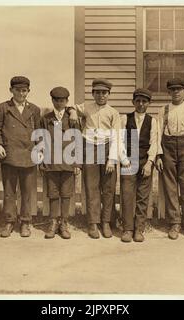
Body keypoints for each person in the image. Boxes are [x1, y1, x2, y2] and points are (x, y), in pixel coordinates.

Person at [67, 78, 126, 239]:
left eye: (104, 93)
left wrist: (112, 160)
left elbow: (117, 137)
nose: (101, 96)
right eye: (98, 92)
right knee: (91, 187)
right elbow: (71, 107)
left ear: (108, 94)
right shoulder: (86, 107)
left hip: (107, 149)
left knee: (108, 188)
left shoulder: (113, 113)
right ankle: (93, 223)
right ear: (93, 93)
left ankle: (106, 222)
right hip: (90, 147)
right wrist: (72, 112)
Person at [0, 76, 41, 238]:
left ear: (28, 91)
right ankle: (9, 221)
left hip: (28, 155)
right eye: (18, 90)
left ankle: (26, 222)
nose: (21, 93)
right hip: (9, 155)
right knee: (9, 191)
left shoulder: (34, 109)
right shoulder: (3, 108)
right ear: (11, 90)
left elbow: (39, 133)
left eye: (24, 90)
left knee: (27, 191)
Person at [155, 78, 184, 240]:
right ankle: (174, 222)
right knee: (170, 187)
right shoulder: (164, 109)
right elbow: (158, 134)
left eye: (179, 89)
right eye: (173, 90)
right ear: (169, 92)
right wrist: (159, 155)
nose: (176, 92)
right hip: (168, 147)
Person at [39, 86, 81, 239]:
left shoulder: (72, 118)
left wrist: (77, 163)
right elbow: (40, 140)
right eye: (56, 100)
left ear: (67, 101)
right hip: (51, 163)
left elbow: (78, 141)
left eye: (62, 100)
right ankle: (53, 223)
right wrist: (41, 161)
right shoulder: (45, 118)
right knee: (53, 194)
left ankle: (63, 223)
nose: (59, 103)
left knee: (66, 194)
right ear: (52, 100)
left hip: (68, 163)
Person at [119, 88, 157, 243]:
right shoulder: (125, 119)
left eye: (144, 101)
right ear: (133, 102)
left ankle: (139, 229)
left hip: (144, 161)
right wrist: (124, 159)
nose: (141, 104)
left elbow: (154, 143)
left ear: (148, 103)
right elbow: (120, 141)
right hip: (128, 159)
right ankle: (127, 228)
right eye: (138, 101)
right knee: (127, 195)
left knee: (142, 196)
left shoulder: (152, 121)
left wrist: (149, 163)